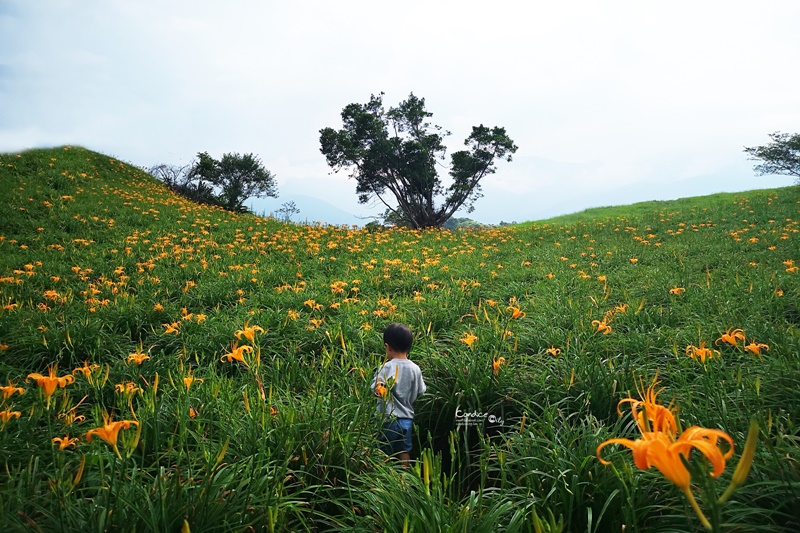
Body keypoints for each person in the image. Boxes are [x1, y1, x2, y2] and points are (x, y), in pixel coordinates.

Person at [371, 323, 426, 466]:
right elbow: (421, 390)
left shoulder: (386, 367)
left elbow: (377, 390)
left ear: (387, 347)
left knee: (383, 451)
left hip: (387, 419)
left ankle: (384, 477)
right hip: (407, 419)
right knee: (404, 450)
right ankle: (404, 478)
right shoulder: (415, 368)